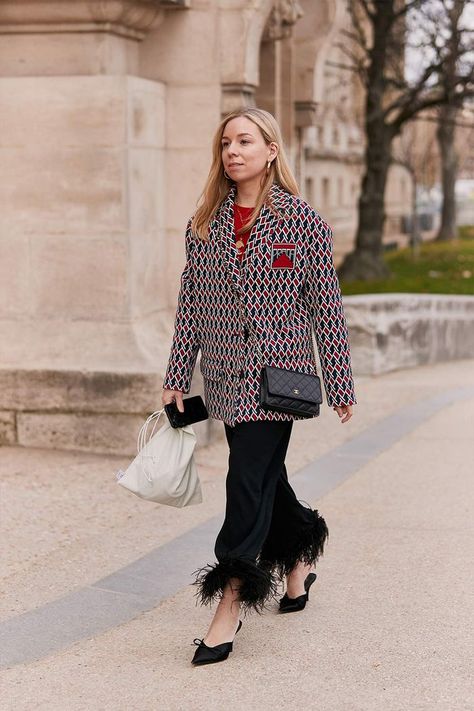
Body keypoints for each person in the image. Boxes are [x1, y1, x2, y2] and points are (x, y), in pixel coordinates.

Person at [162, 108, 355, 666]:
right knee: (267, 476)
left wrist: (339, 382)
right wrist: (178, 376)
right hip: (226, 376)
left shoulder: (303, 223)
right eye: (226, 142)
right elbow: (191, 308)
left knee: (245, 480)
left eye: (245, 141)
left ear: (271, 149)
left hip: (278, 381)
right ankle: (300, 555)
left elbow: (326, 310)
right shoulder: (205, 223)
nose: (233, 151)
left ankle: (230, 599)